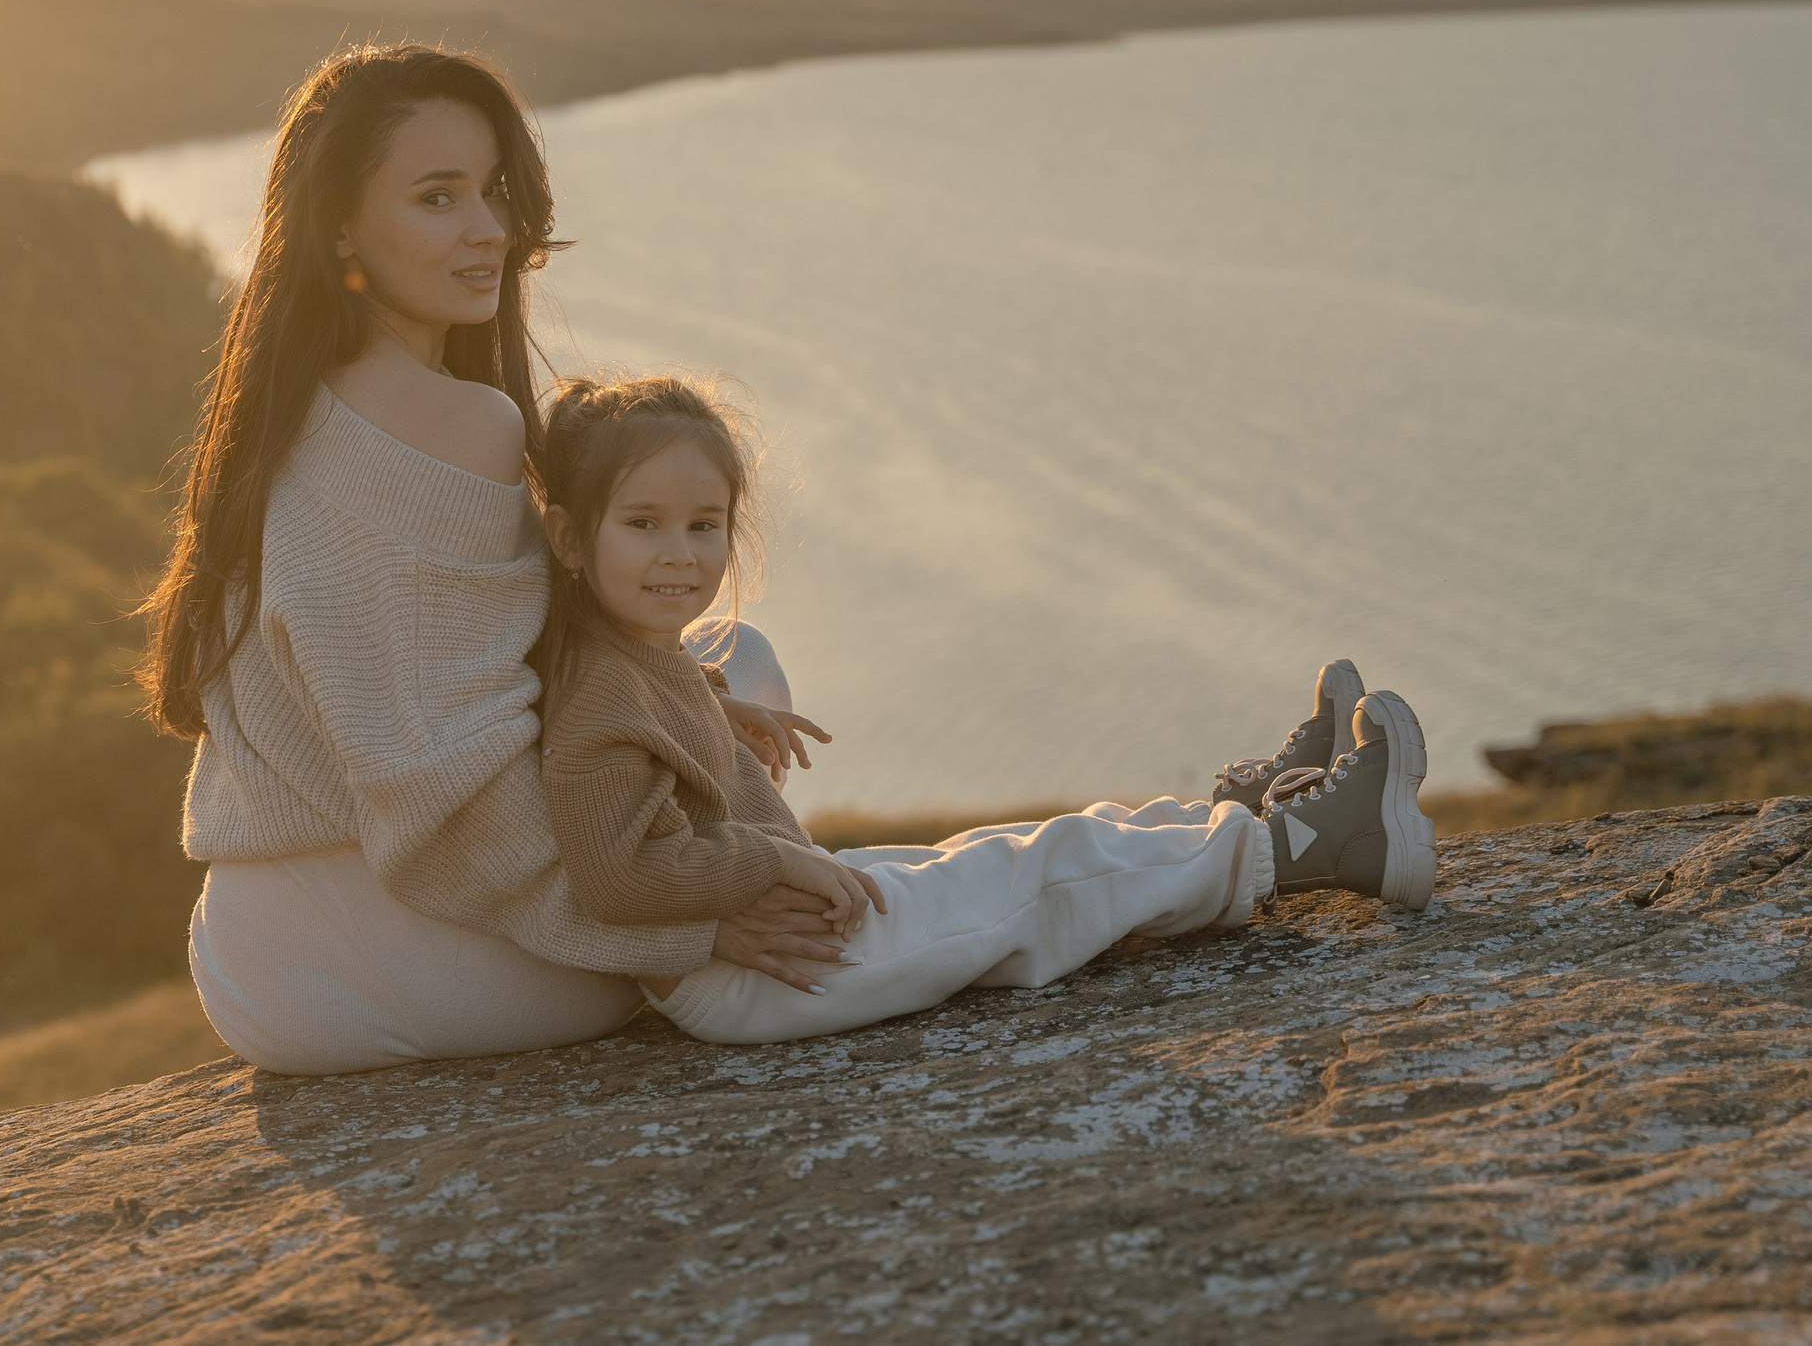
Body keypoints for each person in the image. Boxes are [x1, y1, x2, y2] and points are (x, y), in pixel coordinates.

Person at [144, 45, 839, 1077]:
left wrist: (677, 699)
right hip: (396, 950)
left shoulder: (288, 412)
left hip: (258, 949)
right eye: (437, 198)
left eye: (492, 192)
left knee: (726, 665)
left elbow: (460, 677)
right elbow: (451, 791)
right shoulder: (453, 419)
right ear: (340, 225)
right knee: (746, 674)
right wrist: (677, 935)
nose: (488, 230)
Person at [531, 374, 1437, 1047]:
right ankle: (1302, 847)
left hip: (775, 931)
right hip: (757, 977)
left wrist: (714, 705)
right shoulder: (600, 695)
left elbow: (655, 734)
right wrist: (769, 854)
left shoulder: (638, 652)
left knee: (996, 851)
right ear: (571, 537)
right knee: (1038, 884)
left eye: (704, 523)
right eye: (642, 523)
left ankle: (1238, 815)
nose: (679, 553)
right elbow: (619, 873)